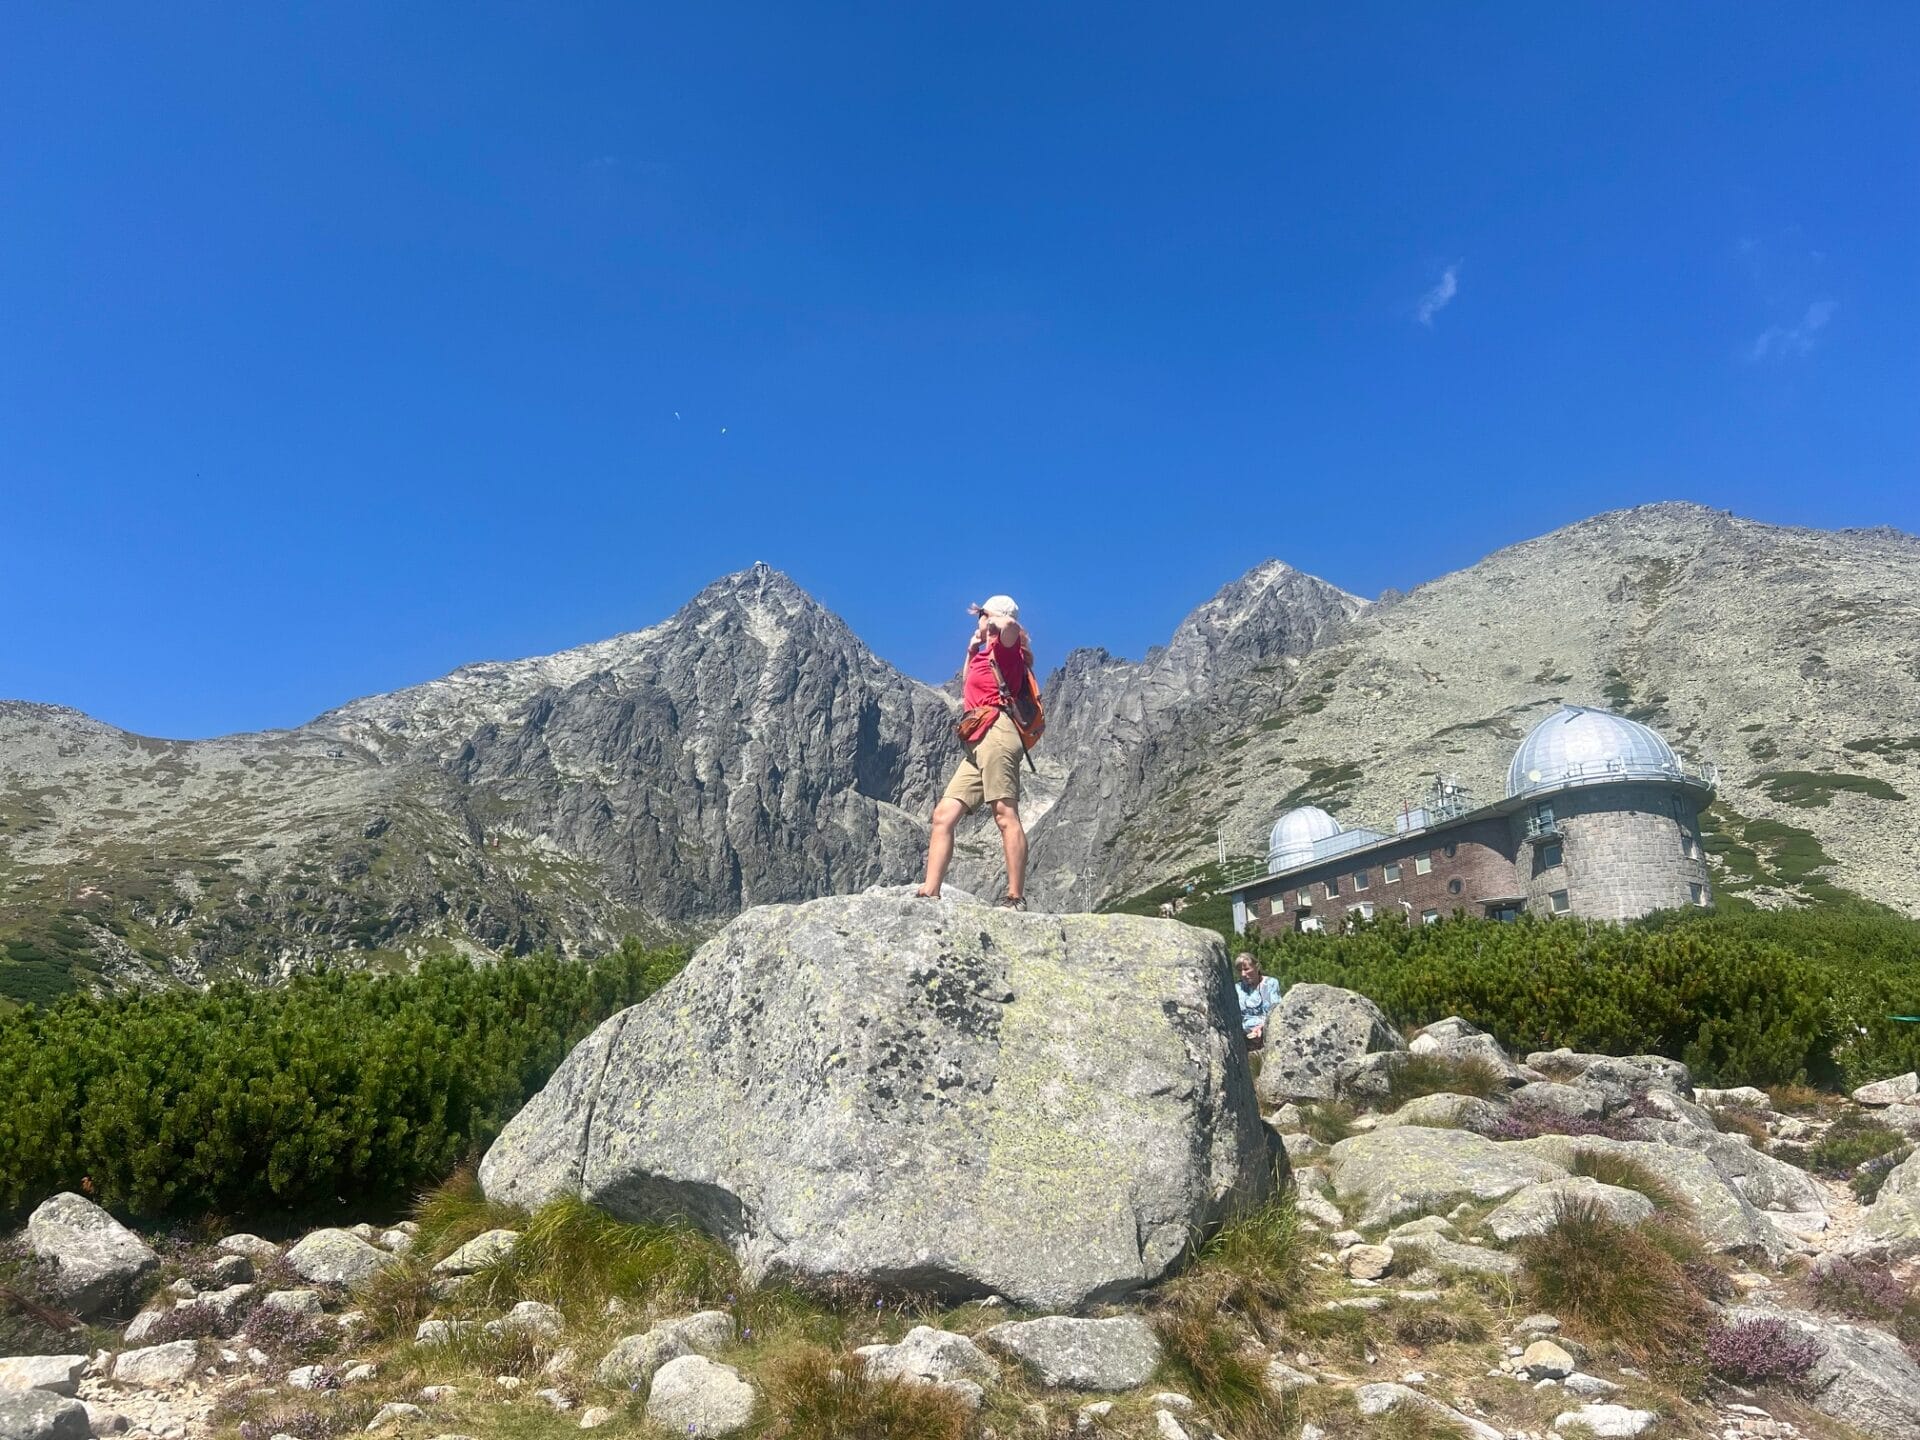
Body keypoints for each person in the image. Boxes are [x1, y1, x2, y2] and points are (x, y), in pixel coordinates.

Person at [916, 594, 1034, 910]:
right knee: (943, 815)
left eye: (981, 614)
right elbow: (968, 682)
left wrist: (989, 624)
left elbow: (1010, 623)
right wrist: (972, 648)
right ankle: (930, 891)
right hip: (976, 738)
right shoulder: (986, 655)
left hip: (997, 732)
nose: (978, 620)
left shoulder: (1008, 650)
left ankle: (1015, 897)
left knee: (1004, 813)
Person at [1235, 952, 1281, 1047]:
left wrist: (1261, 1027)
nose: (1243, 974)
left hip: (1267, 1032)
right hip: (1243, 1037)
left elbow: (1276, 1012)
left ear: (1257, 967)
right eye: (1240, 970)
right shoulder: (1237, 988)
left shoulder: (1271, 983)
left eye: (1246, 969)